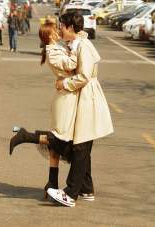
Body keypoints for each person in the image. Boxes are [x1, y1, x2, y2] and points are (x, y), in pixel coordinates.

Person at [47, 11, 114, 207]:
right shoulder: (78, 43)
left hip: (88, 98)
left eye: (62, 25)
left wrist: (64, 84)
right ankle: (86, 188)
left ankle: (71, 193)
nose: (60, 29)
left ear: (69, 27)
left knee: (80, 147)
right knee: (83, 145)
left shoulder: (83, 45)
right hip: (84, 97)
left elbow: (83, 76)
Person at [9, 20, 79, 198]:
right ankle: (26, 136)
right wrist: (79, 49)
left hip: (68, 96)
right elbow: (71, 65)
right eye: (55, 30)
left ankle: (52, 182)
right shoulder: (53, 52)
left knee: (58, 141)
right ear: (49, 36)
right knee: (62, 141)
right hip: (66, 99)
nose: (58, 32)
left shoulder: (58, 47)